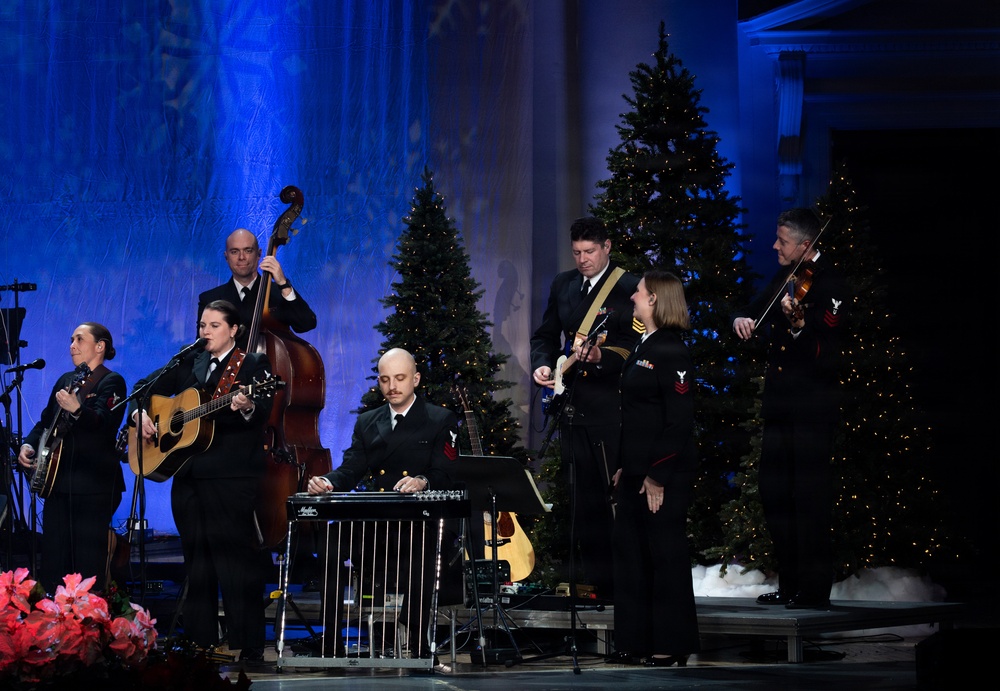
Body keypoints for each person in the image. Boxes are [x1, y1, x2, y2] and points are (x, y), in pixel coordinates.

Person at [132, 300, 274, 664]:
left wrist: (246, 406)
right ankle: (200, 640)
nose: (205, 332)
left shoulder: (252, 364)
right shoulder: (190, 361)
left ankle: (249, 645)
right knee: (196, 562)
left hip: (230, 477)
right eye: (202, 325)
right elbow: (144, 388)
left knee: (235, 561)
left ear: (234, 329)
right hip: (188, 476)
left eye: (213, 325)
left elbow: (262, 411)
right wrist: (141, 413)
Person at [306, 347, 459, 658]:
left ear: (416, 379)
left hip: (419, 522)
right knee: (332, 538)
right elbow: (352, 468)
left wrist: (422, 481)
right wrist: (328, 482)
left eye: (400, 378)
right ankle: (331, 637)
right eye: (386, 379)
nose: (393, 386)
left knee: (424, 544)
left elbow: (446, 472)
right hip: (378, 522)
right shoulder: (368, 421)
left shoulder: (439, 418)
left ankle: (417, 638)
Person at [732, 207, 850, 610]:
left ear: (805, 244)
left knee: (809, 499)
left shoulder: (830, 282)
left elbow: (828, 351)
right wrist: (741, 319)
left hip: (811, 410)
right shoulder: (788, 276)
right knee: (775, 494)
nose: (774, 246)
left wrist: (800, 328)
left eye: (782, 241)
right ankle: (790, 583)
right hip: (780, 407)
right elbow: (754, 307)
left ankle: (813, 590)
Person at [529, 216, 641, 598]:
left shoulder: (629, 286)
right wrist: (543, 363)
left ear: (607, 247)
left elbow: (635, 347)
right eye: (576, 252)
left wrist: (599, 356)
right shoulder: (563, 284)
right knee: (582, 502)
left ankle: (621, 586)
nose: (583, 260)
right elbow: (545, 335)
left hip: (610, 408)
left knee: (612, 500)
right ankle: (593, 585)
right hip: (572, 406)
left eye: (590, 251)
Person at [608, 271, 699, 667]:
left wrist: (657, 475)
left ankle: (670, 643)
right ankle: (636, 640)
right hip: (635, 471)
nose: (633, 297)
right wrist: (625, 467)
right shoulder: (642, 344)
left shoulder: (671, 350)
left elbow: (678, 420)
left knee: (664, 556)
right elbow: (634, 416)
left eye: (640, 292)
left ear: (656, 300)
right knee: (632, 555)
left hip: (664, 474)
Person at [18, 322, 126, 595]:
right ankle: (53, 615)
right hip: (59, 484)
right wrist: (29, 444)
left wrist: (78, 410)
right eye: (71, 340)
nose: (72, 346)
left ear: (100, 346)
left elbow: (105, 425)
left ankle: (88, 617)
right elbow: (46, 422)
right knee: (54, 561)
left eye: (79, 339)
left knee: (87, 564)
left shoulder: (111, 381)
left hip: (93, 487)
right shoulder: (66, 380)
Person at [198, 228, 317, 351]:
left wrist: (283, 284)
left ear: (259, 254)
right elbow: (203, 348)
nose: (241, 257)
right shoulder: (209, 299)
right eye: (234, 252)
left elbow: (306, 324)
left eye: (248, 250)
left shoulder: (279, 292)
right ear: (226, 256)